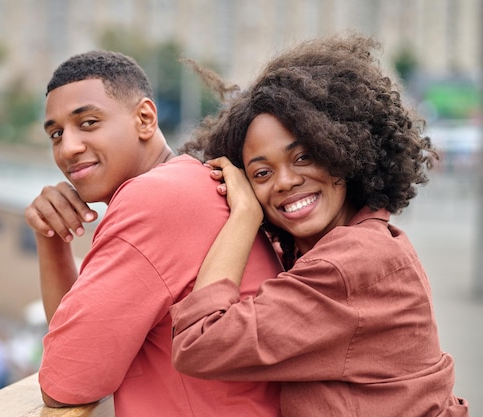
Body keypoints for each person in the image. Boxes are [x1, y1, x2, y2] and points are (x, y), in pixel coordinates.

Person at [170, 33, 469, 417]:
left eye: (304, 157)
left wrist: (244, 215)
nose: (284, 181)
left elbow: (200, 343)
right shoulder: (350, 244)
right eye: (261, 173)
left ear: (344, 153)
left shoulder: (350, 263)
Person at [24, 50, 284, 416]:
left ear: (145, 118)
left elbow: (67, 381)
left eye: (88, 123)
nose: (68, 148)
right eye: (55, 133)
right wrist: (51, 238)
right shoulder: (187, 182)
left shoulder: (154, 198)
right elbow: (83, 338)